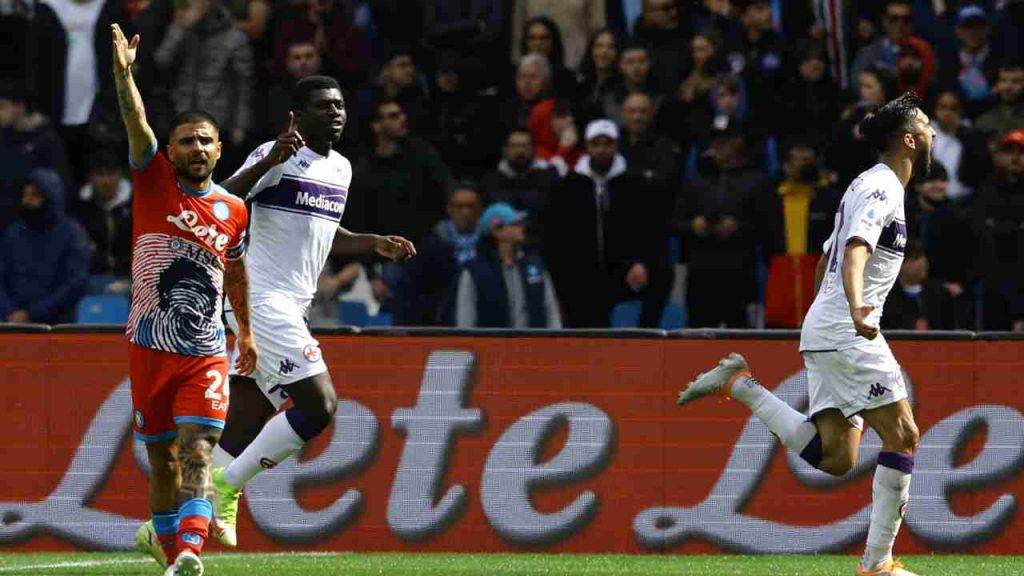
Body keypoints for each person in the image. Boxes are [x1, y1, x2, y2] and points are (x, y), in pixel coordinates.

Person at [144, 76, 417, 555]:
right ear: (299, 113)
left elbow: (322, 233)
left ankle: (166, 529)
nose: (335, 113)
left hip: (294, 304)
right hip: (260, 299)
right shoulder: (277, 153)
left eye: (340, 105)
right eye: (323, 106)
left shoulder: (342, 169)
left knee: (245, 420)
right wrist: (270, 161)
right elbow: (216, 200)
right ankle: (229, 488)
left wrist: (372, 242)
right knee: (319, 405)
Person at [678, 91, 935, 576]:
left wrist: (824, 313)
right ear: (908, 140)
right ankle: (878, 565)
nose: (933, 132)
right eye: (925, 125)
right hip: (847, 328)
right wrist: (855, 307)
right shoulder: (882, 188)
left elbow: (826, 259)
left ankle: (740, 384)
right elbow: (855, 248)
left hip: (828, 325)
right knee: (903, 435)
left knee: (837, 456)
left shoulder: (866, 183)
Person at [110, 24, 256, 576]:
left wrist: (247, 333)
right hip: (148, 345)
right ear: (169, 151)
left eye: (206, 140)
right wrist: (125, 76)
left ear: (220, 149)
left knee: (199, 450)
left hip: (204, 348)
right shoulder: (153, 182)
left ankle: (192, 547)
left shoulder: (235, 210)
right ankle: (173, 553)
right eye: (186, 141)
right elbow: (135, 120)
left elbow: (235, 271)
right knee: (163, 461)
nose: (197, 148)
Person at [0, 168, 90, 324]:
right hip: (11, 322)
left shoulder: (72, 234)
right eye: (25, 195)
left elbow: (75, 284)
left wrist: (32, 314)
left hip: (57, 325)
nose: (27, 201)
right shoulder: (14, 233)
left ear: (51, 197)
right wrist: (9, 311)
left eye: (34, 196)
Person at [455, 202, 561, 328]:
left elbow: (551, 310)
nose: (521, 227)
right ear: (496, 231)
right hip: (493, 345)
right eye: (514, 224)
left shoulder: (534, 266)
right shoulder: (475, 271)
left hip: (533, 344)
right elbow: (465, 320)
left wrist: (556, 338)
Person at [411, 184, 484, 326]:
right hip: (440, 323)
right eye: (459, 206)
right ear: (449, 209)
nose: (465, 212)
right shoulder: (431, 246)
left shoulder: (490, 244)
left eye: (470, 206)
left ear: (479, 210)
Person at [72, 149, 133, 276]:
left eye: (111, 174)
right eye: (100, 175)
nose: (106, 181)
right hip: (91, 276)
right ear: (90, 178)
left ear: (120, 175)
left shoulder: (136, 204)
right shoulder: (78, 208)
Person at [974, 62, 1024, 140]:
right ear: (997, 84)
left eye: (1015, 82)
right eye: (1003, 81)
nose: (1008, 87)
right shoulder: (984, 121)